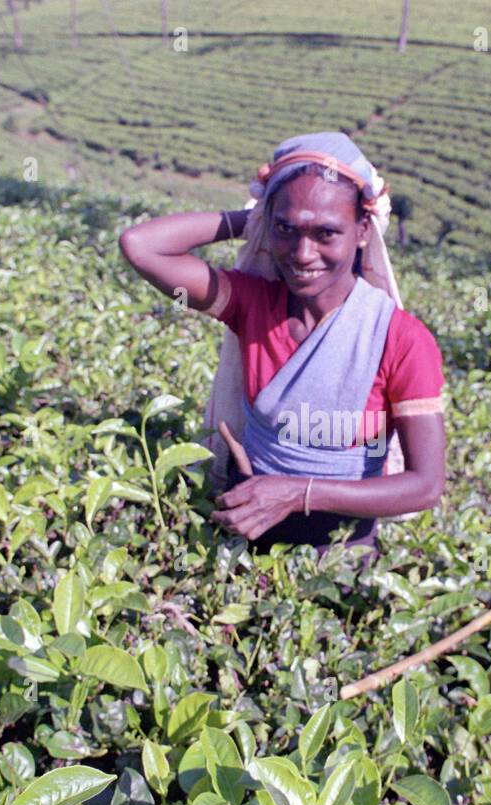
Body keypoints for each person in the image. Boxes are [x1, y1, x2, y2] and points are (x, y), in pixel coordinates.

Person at [118, 132, 446, 559]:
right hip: (239, 543)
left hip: (338, 559)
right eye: (286, 230)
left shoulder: (400, 339)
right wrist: (250, 219)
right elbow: (140, 246)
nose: (302, 253)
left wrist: (297, 493)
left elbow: (426, 484)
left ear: (363, 230)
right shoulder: (252, 303)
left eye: (326, 233)